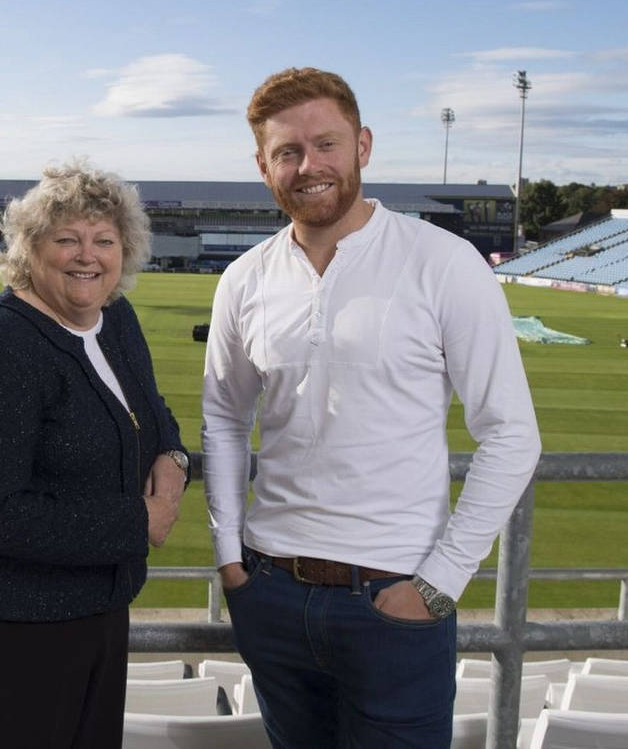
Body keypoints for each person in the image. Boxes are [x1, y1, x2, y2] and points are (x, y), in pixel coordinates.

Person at [202, 67, 542, 748]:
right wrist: (230, 559)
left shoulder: (443, 262)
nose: (309, 166)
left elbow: (511, 435)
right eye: (287, 152)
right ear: (263, 165)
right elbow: (223, 418)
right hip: (270, 590)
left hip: (395, 602)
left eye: (325, 144)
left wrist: (437, 584)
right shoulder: (245, 278)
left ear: (362, 145)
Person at [0, 159, 189, 749]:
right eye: (66, 239)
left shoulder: (114, 319)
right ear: (30, 249)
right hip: (15, 623)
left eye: (104, 240)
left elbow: (151, 415)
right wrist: (140, 520)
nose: (87, 256)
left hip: (99, 605)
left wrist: (174, 461)